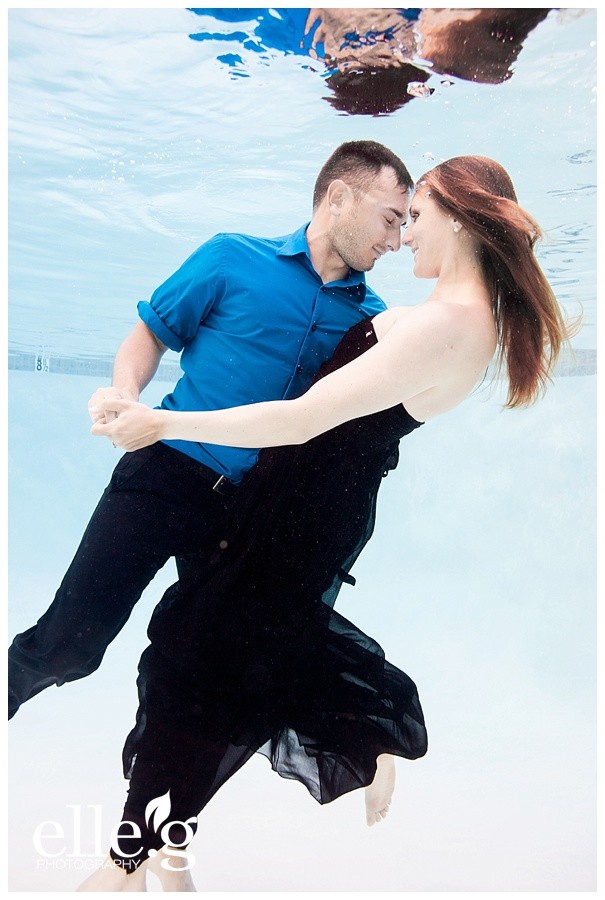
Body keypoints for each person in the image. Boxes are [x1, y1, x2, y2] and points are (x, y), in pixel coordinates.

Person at [79, 155, 573, 891]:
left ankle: (129, 859)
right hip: (291, 506)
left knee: (196, 669)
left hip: (300, 521)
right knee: (212, 669)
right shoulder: (443, 316)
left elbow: (304, 418)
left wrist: (161, 423)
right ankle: (170, 842)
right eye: (398, 219)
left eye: (417, 217)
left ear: (460, 217)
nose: (405, 235)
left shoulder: (448, 324)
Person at [7, 140, 413, 720]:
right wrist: (125, 395)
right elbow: (150, 334)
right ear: (340, 197)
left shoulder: (369, 319)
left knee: (214, 670)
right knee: (69, 646)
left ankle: (159, 793)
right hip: (163, 475)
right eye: (391, 219)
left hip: (250, 515)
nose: (395, 242)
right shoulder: (230, 258)